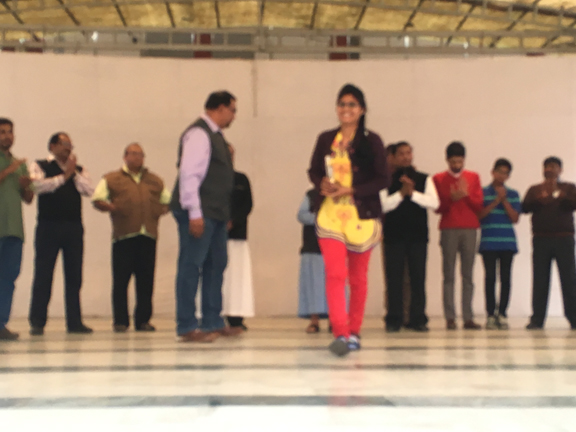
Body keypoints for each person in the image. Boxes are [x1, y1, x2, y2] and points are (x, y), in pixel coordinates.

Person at [308, 84, 388, 356]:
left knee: (357, 278)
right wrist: (322, 183)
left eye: (352, 104)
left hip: (362, 217)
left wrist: (351, 190)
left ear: (362, 109)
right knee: (335, 273)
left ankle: (354, 331)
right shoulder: (325, 138)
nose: (346, 109)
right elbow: (313, 170)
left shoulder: (372, 141)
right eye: (342, 104)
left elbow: (383, 179)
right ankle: (340, 332)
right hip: (330, 215)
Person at [171, 91, 239, 342]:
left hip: (215, 213)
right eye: (232, 110)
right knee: (191, 265)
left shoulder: (216, 136)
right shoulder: (199, 134)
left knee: (216, 265)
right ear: (219, 108)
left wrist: (225, 213)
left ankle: (212, 320)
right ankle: (187, 325)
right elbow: (189, 175)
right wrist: (195, 213)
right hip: (199, 212)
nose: (234, 116)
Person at [92, 143, 171, 332]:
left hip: (147, 235)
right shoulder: (112, 178)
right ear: (125, 156)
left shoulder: (155, 180)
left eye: (141, 154)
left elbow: (169, 200)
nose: (137, 157)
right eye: (133, 154)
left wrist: (159, 211)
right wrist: (112, 208)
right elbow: (97, 199)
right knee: (121, 280)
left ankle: (143, 320)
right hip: (124, 236)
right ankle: (120, 321)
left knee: (146, 280)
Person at [28, 132, 94, 335]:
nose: (68, 148)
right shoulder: (40, 165)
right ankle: (37, 321)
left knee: (74, 276)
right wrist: (63, 177)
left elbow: (89, 190)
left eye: (70, 145)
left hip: (73, 227)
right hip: (48, 226)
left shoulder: (78, 169)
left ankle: (74, 322)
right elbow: (37, 186)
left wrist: (72, 173)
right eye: (64, 144)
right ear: (52, 146)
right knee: (44, 273)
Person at [380, 141, 439, 332]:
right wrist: (401, 194)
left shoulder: (424, 178)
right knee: (394, 279)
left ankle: (418, 318)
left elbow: (434, 203)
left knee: (418, 278)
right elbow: (383, 206)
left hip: (417, 236)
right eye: (401, 154)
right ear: (395, 157)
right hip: (393, 235)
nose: (406, 157)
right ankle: (394, 319)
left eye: (408, 153)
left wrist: (412, 194)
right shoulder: (385, 179)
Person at [433, 142, 483, 330]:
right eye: (453, 161)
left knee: (468, 274)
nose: (456, 165)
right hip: (449, 228)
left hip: (469, 227)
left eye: (459, 161)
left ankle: (468, 316)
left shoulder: (473, 177)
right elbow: (437, 207)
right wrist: (450, 199)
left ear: (464, 159)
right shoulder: (438, 179)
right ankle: (450, 317)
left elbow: (479, 204)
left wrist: (466, 195)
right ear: (447, 160)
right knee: (449, 274)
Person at [522, 156, 576, 330]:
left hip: (564, 239)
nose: (550, 170)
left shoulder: (569, 188)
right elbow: (525, 207)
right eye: (547, 167)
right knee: (540, 279)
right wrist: (540, 199)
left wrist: (560, 196)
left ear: (560, 170)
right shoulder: (535, 189)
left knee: (569, 279)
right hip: (541, 239)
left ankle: (574, 317)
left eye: (553, 167)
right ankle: (537, 319)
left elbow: (572, 204)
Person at [477, 158, 521, 330]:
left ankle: (502, 313)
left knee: (505, 278)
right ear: (493, 172)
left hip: (507, 242)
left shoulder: (513, 194)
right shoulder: (482, 192)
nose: (502, 175)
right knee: (490, 278)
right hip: (488, 242)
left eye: (506, 173)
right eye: (499, 172)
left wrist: (504, 200)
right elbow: (479, 216)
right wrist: (496, 200)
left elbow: (515, 218)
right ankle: (490, 314)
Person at [0, 118, 33, 341]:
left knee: (8, 278)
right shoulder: (13, 165)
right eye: (2, 132)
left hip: (13, 230)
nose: (7, 136)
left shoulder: (19, 164)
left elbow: (28, 198)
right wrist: (8, 171)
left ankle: (1, 323)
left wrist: (26, 187)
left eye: (10, 132)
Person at [222, 144, 254, 331]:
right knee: (216, 276)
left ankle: (236, 317)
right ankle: (214, 316)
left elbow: (247, 205)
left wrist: (233, 221)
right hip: (215, 236)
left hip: (237, 237)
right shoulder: (210, 179)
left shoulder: (241, 179)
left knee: (237, 278)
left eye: (232, 154)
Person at [297, 188, 329, 333]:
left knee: (335, 285)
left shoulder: (342, 195)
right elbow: (302, 215)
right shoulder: (311, 195)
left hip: (334, 246)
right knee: (313, 285)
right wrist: (323, 219)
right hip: (313, 246)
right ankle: (314, 321)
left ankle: (335, 320)